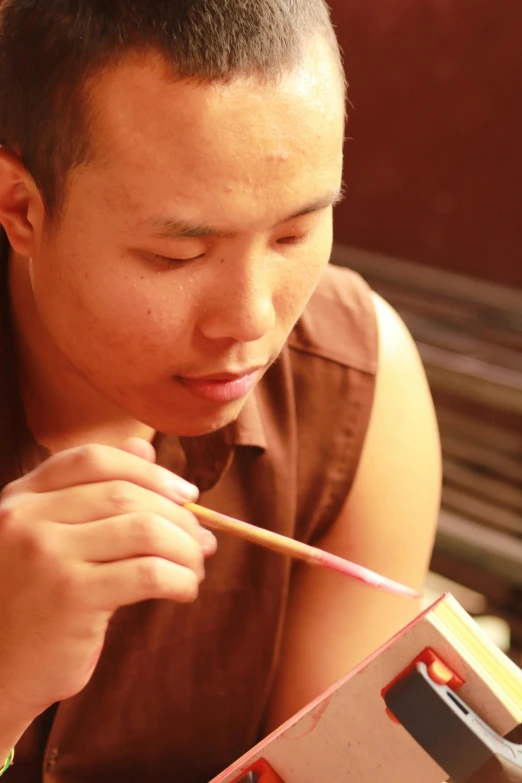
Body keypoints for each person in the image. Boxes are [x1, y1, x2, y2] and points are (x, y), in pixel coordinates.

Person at [0, 1, 441, 780]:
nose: (249, 320)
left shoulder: (355, 384)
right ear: (21, 207)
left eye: (295, 235)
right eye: (176, 254)